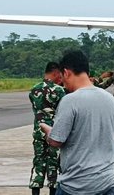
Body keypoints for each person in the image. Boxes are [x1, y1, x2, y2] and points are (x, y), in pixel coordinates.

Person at [40, 50, 114, 194]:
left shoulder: (69, 101)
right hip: (108, 184)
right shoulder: (111, 100)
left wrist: (47, 130)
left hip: (75, 185)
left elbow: (56, 141)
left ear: (66, 73)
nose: (63, 83)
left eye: (62, 78)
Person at [29, 62, 66, 195]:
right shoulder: (59, 90)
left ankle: (35, 190)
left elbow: (36, 109)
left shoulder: (34, 89)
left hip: (38, 131)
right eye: (60, 75)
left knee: (38, 161)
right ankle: (53, 190)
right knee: (53, 163)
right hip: (53, 132)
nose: (60, 79)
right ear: (55, 73)